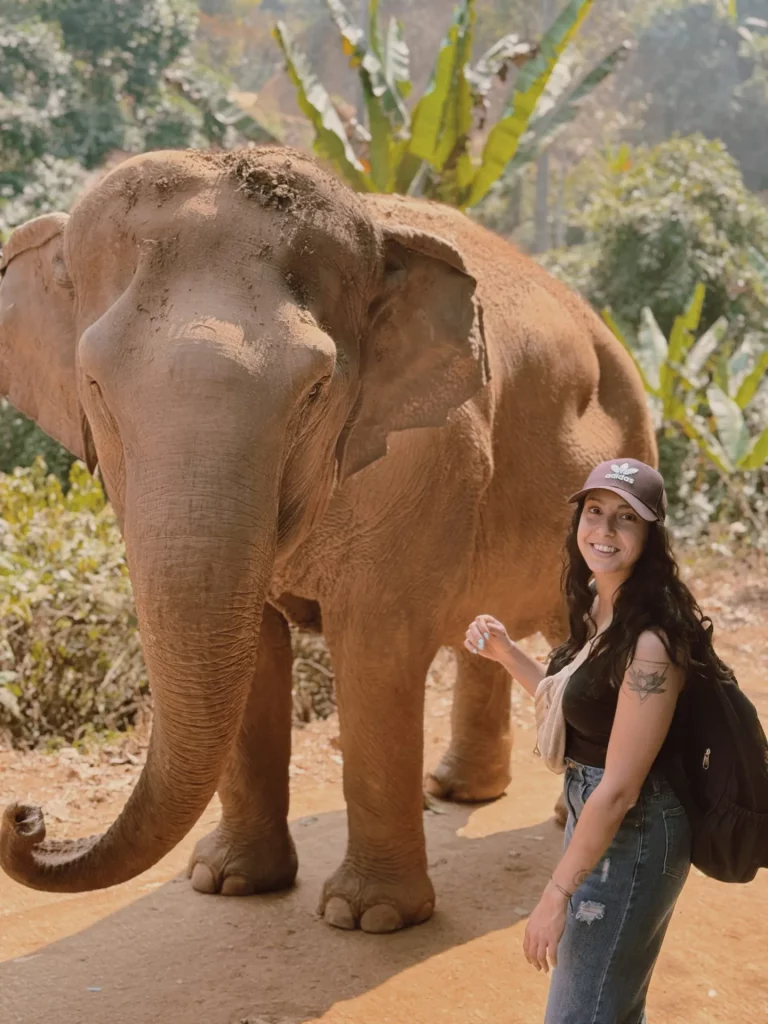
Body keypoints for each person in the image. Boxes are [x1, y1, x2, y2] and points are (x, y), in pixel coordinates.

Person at [464, 458, 716, 1024]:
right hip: (598, 812)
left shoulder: (650, 639)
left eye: (626, 518)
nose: (603, 531)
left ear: (650, 537)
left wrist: (555, 897)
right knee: (608, 1006)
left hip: (635, 827)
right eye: (595, 512)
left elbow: (622, 787)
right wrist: (507, 652)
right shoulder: (605, 607)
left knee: (584, 1012)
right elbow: (581, 709)